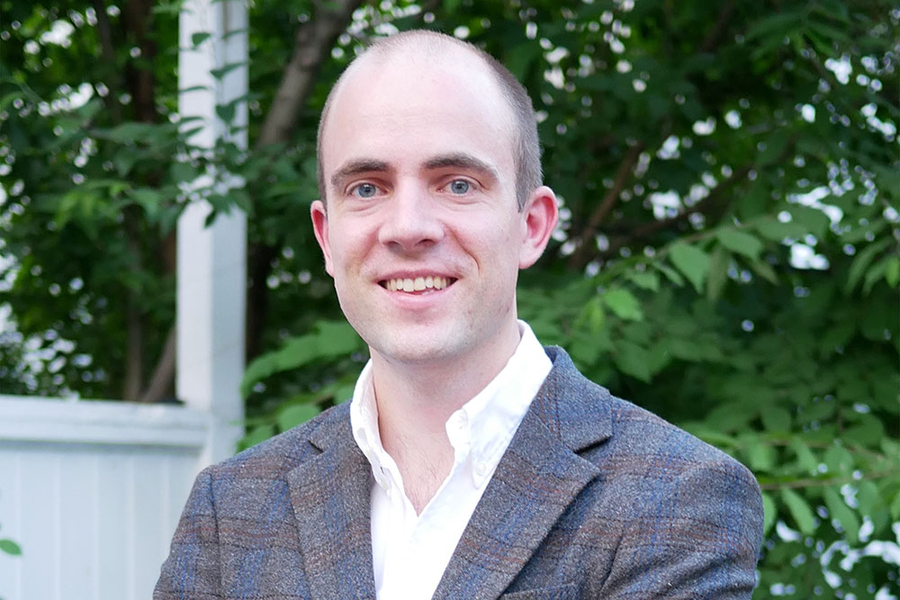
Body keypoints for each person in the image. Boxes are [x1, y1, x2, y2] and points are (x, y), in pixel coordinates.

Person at [155, 29, 763, 599]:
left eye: (457, 183)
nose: (409, 227)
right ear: (326, 238)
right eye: (367, 187)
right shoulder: (230, 508)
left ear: (531, 226)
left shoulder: (676, 496)